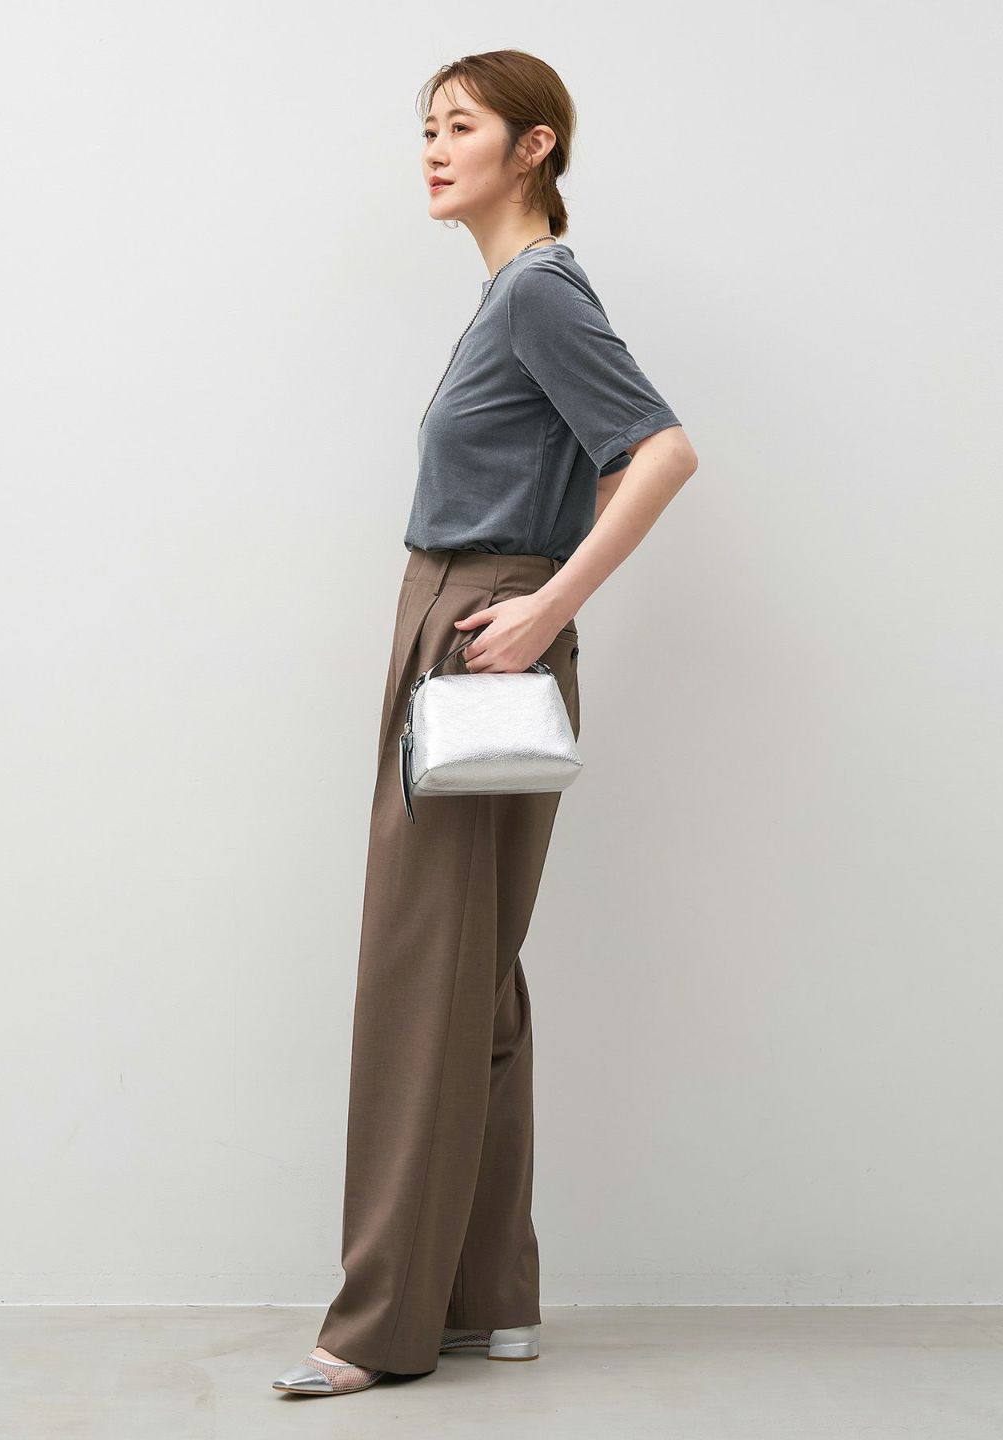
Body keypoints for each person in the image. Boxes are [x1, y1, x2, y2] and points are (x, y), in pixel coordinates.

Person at [273, 48, 698, 1398]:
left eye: (460, 126)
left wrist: (542, 604)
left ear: (535, 146)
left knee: (422, 976)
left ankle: (376, 1330)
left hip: (476, 629)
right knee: (474, 976)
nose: (433, 149)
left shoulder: (538, 294)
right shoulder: (516, 296)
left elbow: (661, 451)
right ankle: (486, 1299)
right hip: (468, 625)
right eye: (426, 129)